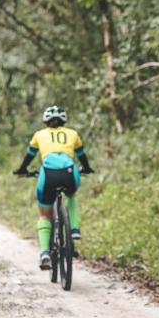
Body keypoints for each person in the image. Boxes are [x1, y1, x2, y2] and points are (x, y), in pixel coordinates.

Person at [13, 105, 94, 269]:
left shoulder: (39, 135)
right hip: (70, 172)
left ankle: (44, 253)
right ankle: (75, 229)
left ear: (45, 121)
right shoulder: (73, 134)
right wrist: (86, 168)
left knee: (44, 214)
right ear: (63, 120)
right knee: (71, 195)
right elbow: (81, 156)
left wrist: (22, 170)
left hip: (48, 174)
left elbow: (30, 156)